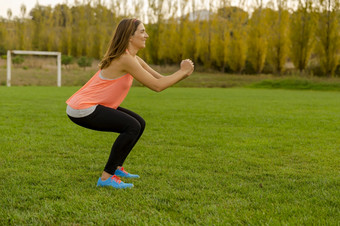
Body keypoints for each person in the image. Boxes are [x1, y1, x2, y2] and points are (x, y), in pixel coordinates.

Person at [66, 18, 194, 189]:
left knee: (139, 123)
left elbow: (161, 79)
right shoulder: (124, 59)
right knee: (131, 126)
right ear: (129, 37)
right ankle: (106, 178)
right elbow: (157, 87)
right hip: (82, 108)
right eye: (142, 31)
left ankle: (117, 168)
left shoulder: (133, 58)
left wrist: (183, 74)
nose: (146, 35)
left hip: (91, 105)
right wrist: (182, 71)